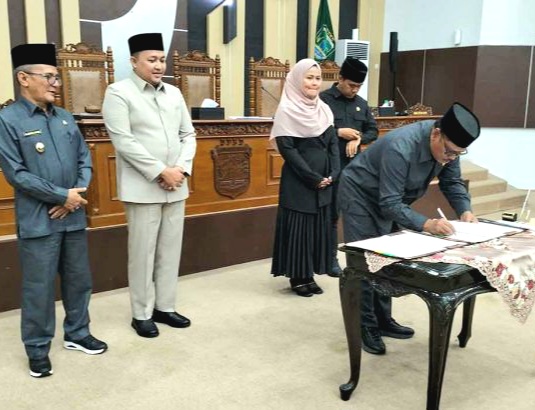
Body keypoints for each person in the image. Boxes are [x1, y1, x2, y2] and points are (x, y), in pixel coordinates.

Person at [338, 102, 480, 354]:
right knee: (366, 261)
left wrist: (465, 210)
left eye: (458, 154)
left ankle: (383, 320)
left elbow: (452, 182)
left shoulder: (449, 148)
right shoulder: (401, 147)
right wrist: (426, 224)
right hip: (360, 194)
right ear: (436, 134)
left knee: (387, 258)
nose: (451, 158)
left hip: (392, 198)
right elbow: (389, 203)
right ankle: (365, 325)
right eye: (449, 152)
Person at [0, 43, 108, 378]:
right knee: (39, 287)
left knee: (79, 280)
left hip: (72, 215)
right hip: (39, 219)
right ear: (24, 78)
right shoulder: (7, 119)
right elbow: (16, 173)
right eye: (48, 77)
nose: (55, 84)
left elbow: (84, 160)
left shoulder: (64, 118)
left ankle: (77, 333)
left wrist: (73, 196)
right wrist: (61, 196)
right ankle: (37, 348)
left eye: (56, 77)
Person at [102, 33, 196, 338]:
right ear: (134, 61)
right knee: (143, 254)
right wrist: (160, 172)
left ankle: (164, 307)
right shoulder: (118, 93)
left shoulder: (174, 93)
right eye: (151, 59)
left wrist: (180, 169)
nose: (159, 65)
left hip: (176, 184)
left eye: (161, 59)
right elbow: (124, 141)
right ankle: (141, 313)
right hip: (143, 188)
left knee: (170, 250)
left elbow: (188, 135)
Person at [270, 58, 340, 297]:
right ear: (297, 80)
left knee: (316, 229)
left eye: (318, 78)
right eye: (309, 78)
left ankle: (309, 274)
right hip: (299, 182)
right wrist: (313, 178)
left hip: (325, 181)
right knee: (300, 230)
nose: (314, 83)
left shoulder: (324, 109)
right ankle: (297, 277)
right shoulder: (286, 110)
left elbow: (333, 144)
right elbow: (288, 150)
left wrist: (334, 173)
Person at [320, 57, 378, 277]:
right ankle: (330, 259)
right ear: (341, 79)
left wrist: (359, 138)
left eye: (358, 86)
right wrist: (337, 132)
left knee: (356, 215)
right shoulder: (323, 100)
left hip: (355, 170)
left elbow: (373, 130)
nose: (354, 90)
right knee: (332, 216)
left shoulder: (361, 103)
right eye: (351, 85)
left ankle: (358, 260)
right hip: (331, 167)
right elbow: (312, 129)